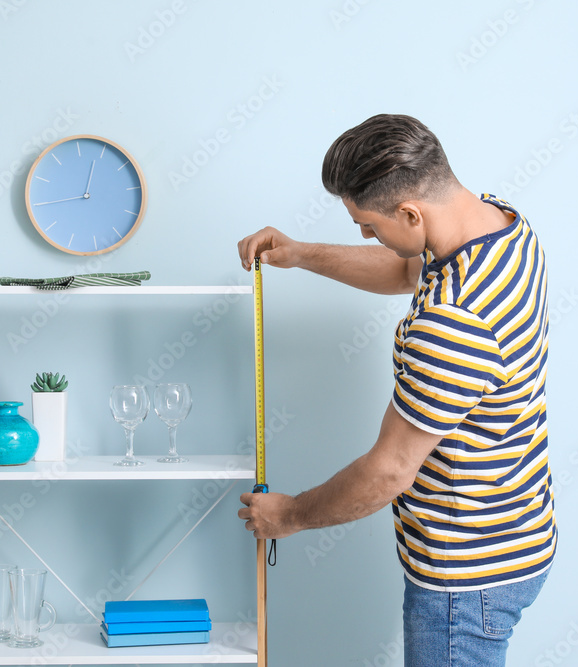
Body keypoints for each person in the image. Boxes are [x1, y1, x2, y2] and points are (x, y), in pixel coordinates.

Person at [236, 114, 557, 667]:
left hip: (465, 573)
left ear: (410, 212)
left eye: (367, 224)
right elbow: (408, 270)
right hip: (516, 526)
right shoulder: (500, 224)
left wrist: (288, 515)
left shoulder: (455, 322)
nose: (365, 234)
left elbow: (388, 471)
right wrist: (300, 253)